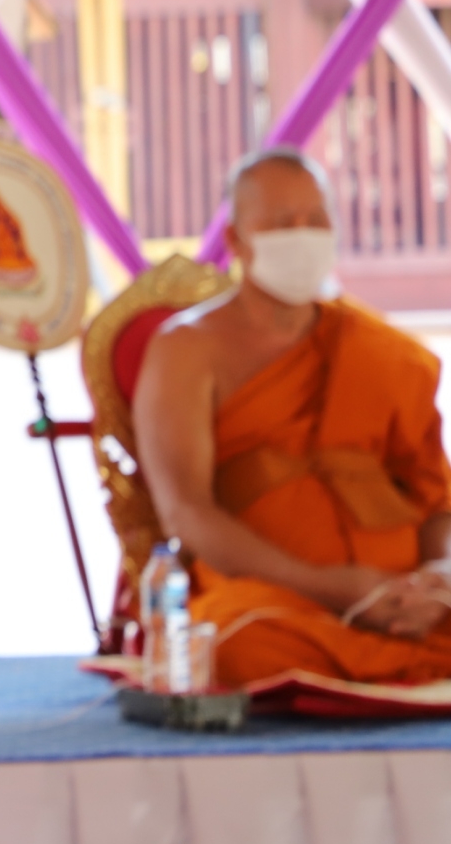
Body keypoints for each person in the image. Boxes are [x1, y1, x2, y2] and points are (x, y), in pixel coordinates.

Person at [134, 147, 451, 688]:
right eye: (283, 224)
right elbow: (186, 512)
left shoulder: (380, 351)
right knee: (235, 643)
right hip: (275, 596)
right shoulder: (187, 351)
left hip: (403, 593)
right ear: (236, 241)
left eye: (316, 220)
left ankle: (393, 650)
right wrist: (333, 587)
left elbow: (436, 503)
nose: (304, 236)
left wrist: (438, 583)